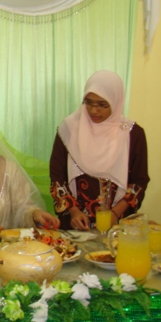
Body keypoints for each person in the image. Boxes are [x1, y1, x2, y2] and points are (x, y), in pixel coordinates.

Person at [50, 70, 149, 230]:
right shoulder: (69, 130)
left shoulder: (132, 134)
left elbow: (139, 181)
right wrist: (73, 211)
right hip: (75, 225)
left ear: (116, 101)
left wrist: (115, 214)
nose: (93, 110)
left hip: (116, 226)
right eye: (88, 102)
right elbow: (57, 178)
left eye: (102, 105)